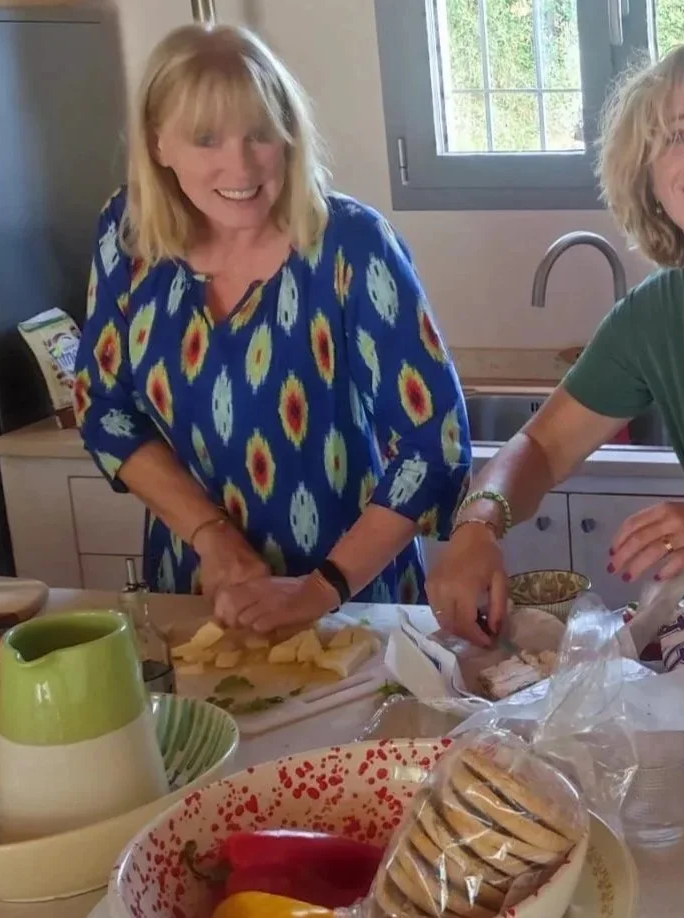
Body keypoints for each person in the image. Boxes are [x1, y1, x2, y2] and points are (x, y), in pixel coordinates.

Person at [74, 23, 470, 633]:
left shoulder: (352, 246)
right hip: (198, 592)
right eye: (206, 138)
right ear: (159, 144)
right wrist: (211, 536)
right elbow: (104, 409)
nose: (240, 164)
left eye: (260, 133)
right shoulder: (127, 236)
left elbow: (433, 448)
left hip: (353, 605)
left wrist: (319, 590)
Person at [427, 42, 684, 647]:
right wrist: (478, 523)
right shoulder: (655, 317)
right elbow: (543, 445)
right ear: (650, 178)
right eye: (676, 136)